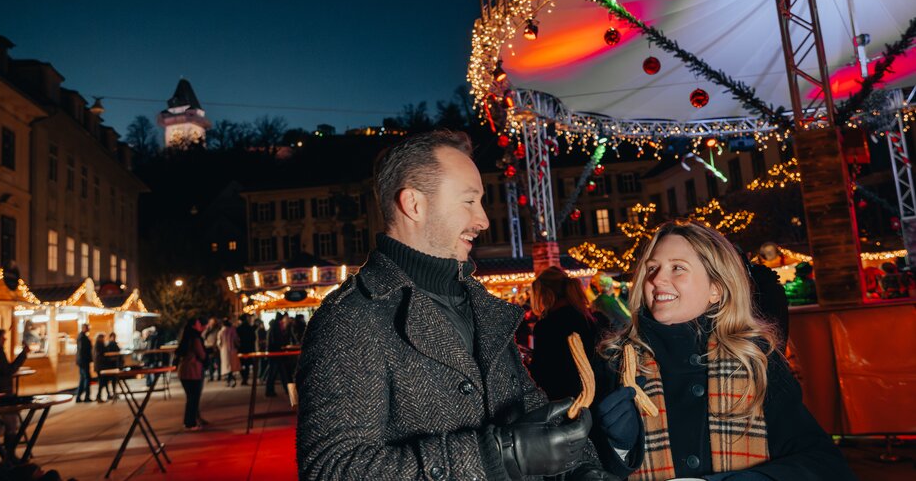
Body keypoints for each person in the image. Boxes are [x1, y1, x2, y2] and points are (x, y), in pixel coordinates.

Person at [296, 131, 613, 480]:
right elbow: (331, 469)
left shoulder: (483, 308)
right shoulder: (352, 317)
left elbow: (529, 409)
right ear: (414, 204)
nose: (483, 220)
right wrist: (499, 457)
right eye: (469, 201)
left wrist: (585, 465)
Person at [590, 220, 855, 480]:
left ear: (715, 289)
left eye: (678, 268)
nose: (657, 278)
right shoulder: (616, 364)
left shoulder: (754, 361)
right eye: (652, 268)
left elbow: (825, 463)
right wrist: (619, 448)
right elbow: (586, 468)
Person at [529, 266, 609, 402]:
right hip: (596, 393)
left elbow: (542, 371)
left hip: (565, 399)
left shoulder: (548, 325)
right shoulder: (589, 318)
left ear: (546, 294)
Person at [176, 317, 208, 430]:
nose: (201, 325)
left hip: (184, 371)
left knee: (190, 397)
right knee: (193, 398)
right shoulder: (195, 338)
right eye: (199, 323)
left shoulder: (185, 337)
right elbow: (202, 354)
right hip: (193, 370)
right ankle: (190, 422)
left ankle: (193, 420)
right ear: (194, 325)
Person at [217, 318, 240, 387]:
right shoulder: (232, 330)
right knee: (232, 365)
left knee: (227, 366)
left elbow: (219, 342)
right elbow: (236, 339)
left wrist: (220, 348)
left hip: (224, 351)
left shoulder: (221, 332)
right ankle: (231, 378)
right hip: (232, 349)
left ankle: (229, 379)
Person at [236, 314, 256, 385]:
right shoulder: (249, 328)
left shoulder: (239, 328)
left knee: (241, 364)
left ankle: (244, 377)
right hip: (248, 348)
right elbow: (253, 338)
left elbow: (236, 339)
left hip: (241, 348)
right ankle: (245, 378)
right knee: (247, 364)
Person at [75, 324, 92, 403]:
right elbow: (83, 350)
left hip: (82, 361)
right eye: (87, 328)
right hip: (83, 361)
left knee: (83, 379)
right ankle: (86, 396)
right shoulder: (82, 337)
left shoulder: (81, 336)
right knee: (87, 378)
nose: (89, 329)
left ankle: (78, 397)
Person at [92, 333, 111, 402]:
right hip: (101, 366)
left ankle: (108, 394)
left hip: (99, 366)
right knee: (102, 381)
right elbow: (102, 355)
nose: (104, 339)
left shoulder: (97, 345)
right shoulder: (99, 345)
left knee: (104, 381)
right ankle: (98, 396)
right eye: (103, 338)